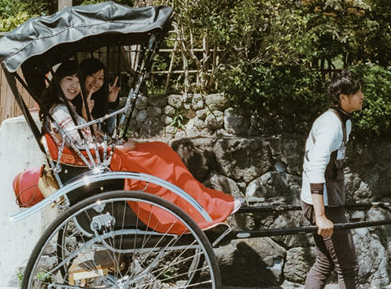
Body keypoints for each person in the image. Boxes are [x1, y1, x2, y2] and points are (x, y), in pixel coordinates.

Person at [39, 58, 240, 234]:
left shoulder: (70, 107)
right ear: (58, 81)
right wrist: (114, 148)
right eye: (69, 79)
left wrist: (110, 136)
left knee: (160, 150)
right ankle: (199, 210)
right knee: (160, 157)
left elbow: (92, 136)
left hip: (102, 155)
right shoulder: (60, 111)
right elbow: (82, 144)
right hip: (102, 159)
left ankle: (202, 205)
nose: (74, 85)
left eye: (76, 79)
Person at [300, 71, 365, 289]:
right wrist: (321, 216)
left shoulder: (343, 122)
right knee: (347, 267)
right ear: (342, 98)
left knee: (324, 263)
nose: (362, 96)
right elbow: (315, 166)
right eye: (357, 92)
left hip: (326, 201)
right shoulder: (331, 125)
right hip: (323, 205)